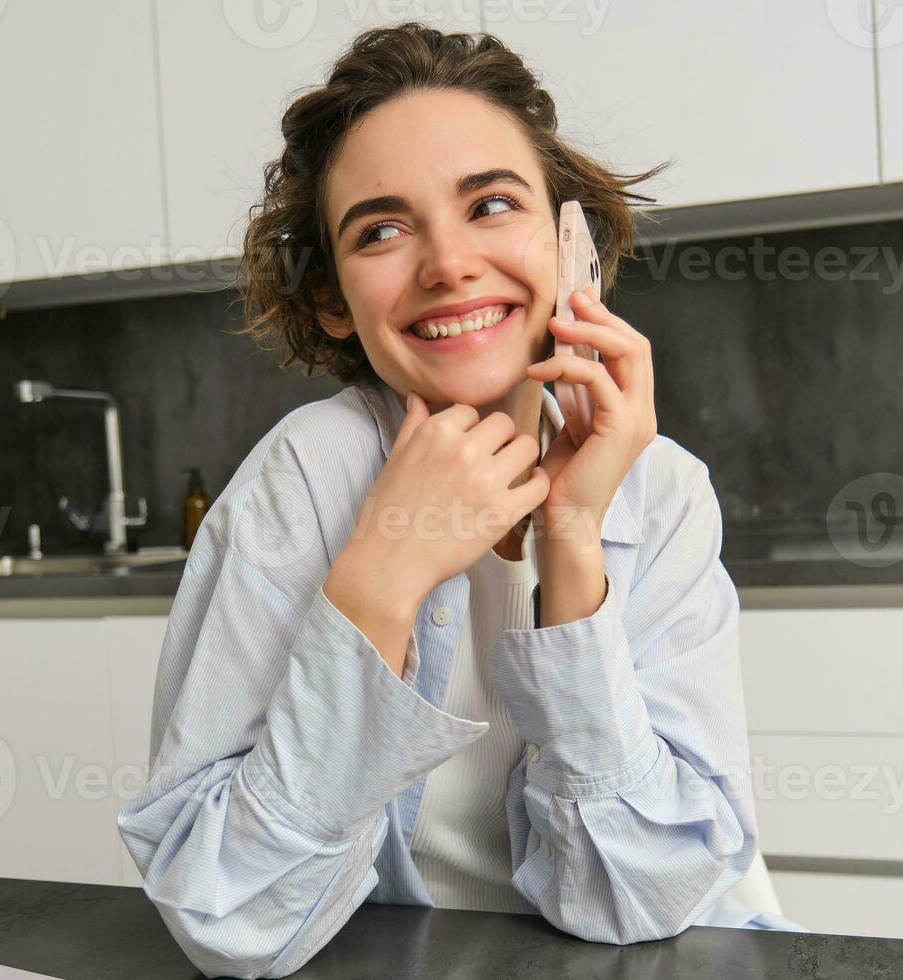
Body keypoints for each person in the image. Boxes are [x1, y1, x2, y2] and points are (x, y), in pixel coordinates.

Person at [117, 23, 789, 979]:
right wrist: (381, 580)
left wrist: (569, 541)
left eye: (491, 205)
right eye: (381, 229)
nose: (446, 263)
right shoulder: (301, 483)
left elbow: (639, 899)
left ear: (569, 242)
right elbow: (232, 920)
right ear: (333, 301)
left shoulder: (661, 489)